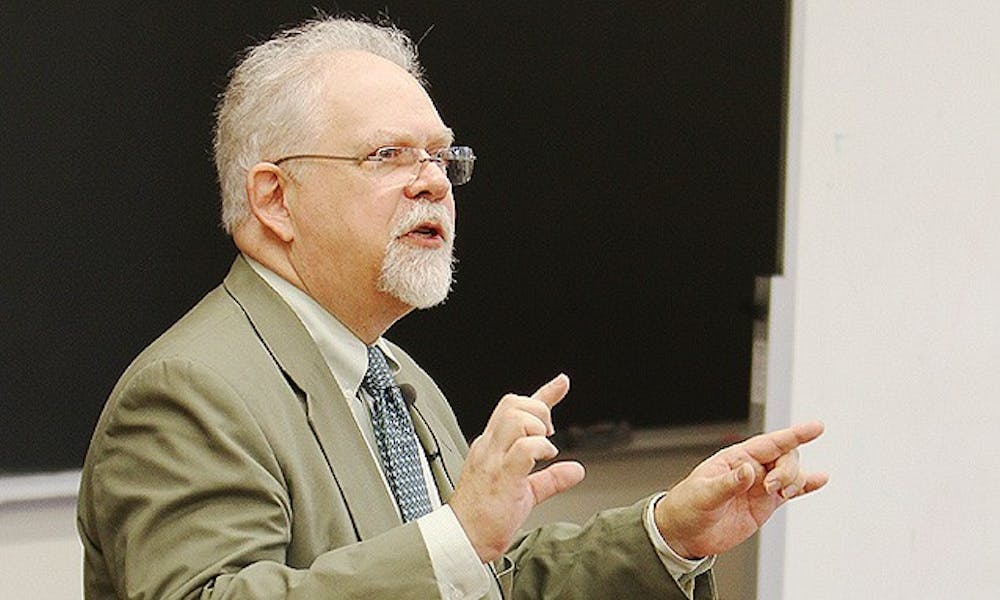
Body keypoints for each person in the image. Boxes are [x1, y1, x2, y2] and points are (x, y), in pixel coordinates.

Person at [77, 15, 827, 600]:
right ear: (274, 198)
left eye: (441, 156)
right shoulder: (189, 391)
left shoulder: (393, 374)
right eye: (388, 155)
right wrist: (459, 538)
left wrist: (670, 532)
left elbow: (479, 581)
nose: (433, 182)